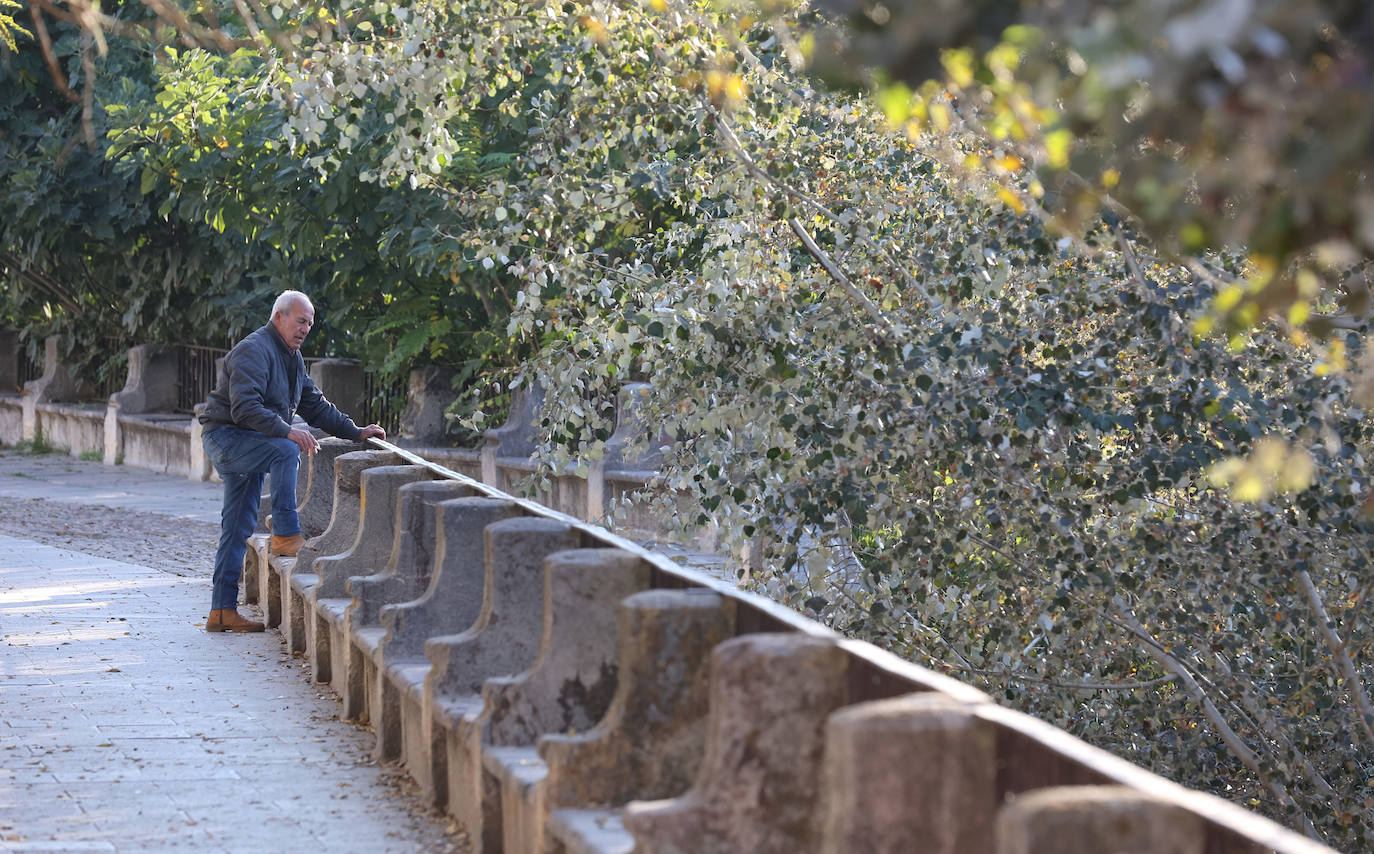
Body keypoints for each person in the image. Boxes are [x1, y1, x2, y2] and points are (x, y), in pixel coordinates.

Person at [198, 290, 386, 633]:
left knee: (237, 526)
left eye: (310, 324)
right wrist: (286, 431)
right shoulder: (253, 349)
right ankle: (285, 533)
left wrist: (357, 432)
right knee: (287, 448)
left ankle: (221, 611)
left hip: (250, 443)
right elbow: (244, 408)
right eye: (301, 321)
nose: (305, 329)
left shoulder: (292, 357)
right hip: (225, 439)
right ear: (279, 317)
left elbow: (316, 406)